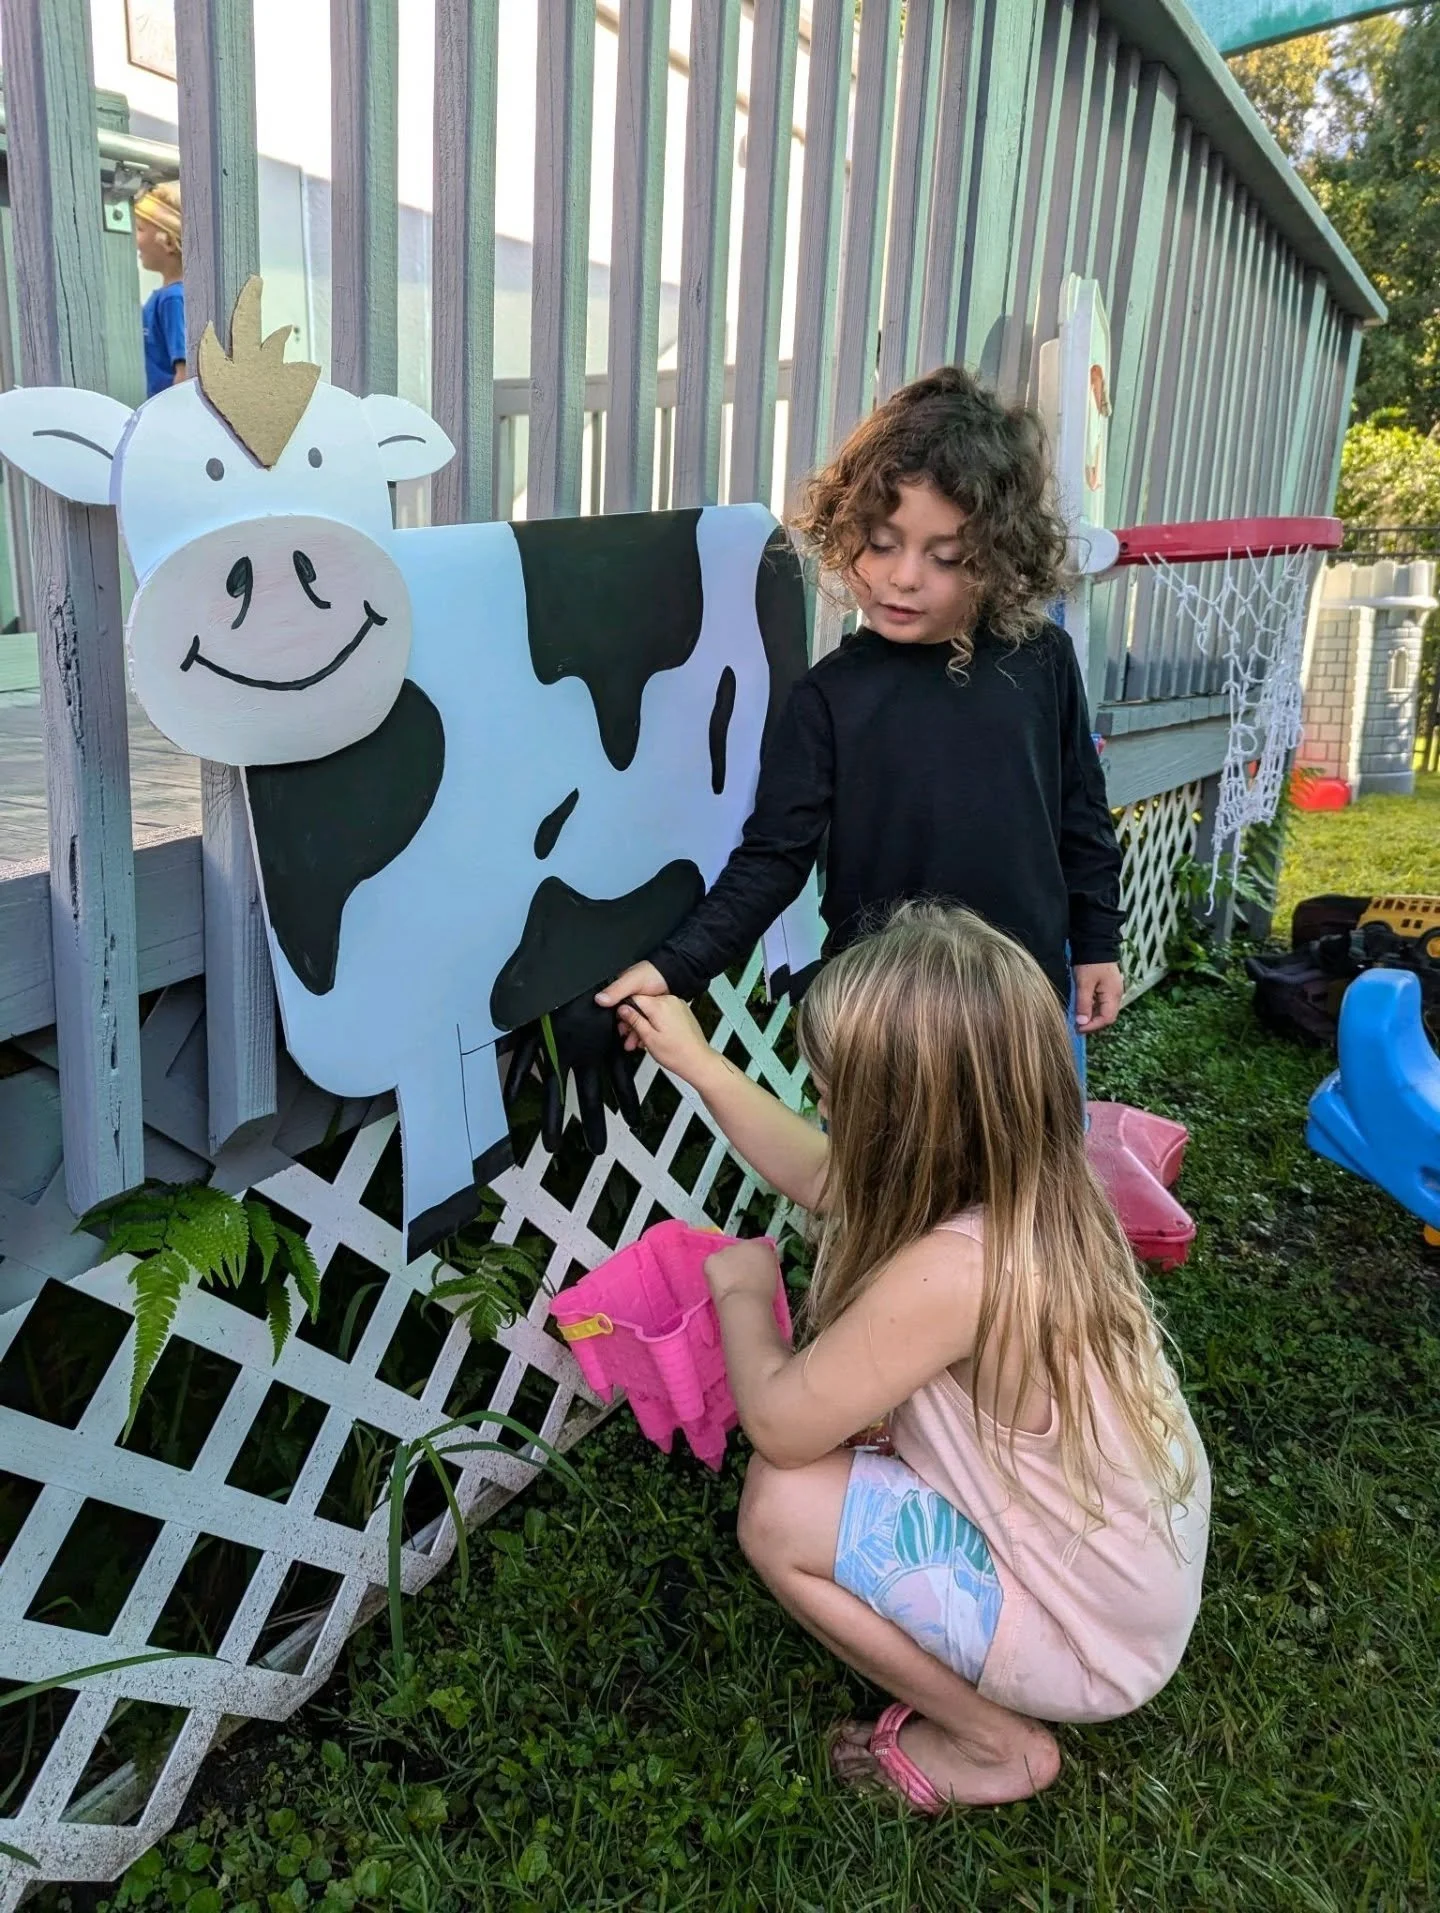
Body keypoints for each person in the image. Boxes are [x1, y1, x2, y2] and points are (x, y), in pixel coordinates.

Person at [618, 905, 1209, 1811]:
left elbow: (778, 1423)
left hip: (1088, 1635)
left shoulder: (957, 1268)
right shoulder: (1030, 1191)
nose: (819, 1103)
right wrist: (697, 1061)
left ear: (910, 1123)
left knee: (780, 1510)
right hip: (1125, 1573)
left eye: (832, 1092)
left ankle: (993, 1742)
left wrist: (740, 1288)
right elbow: (823, 1173)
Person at [599, 365, 1126, 1064]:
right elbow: (772, 860)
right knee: (874, 1178)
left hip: (1022, 1012)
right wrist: (677, 966)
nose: (902, 576)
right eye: (880, 543)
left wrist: (1096, 943)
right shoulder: (827, 701)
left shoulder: (1041, 659)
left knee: (1030, 1176)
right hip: (884, 1024)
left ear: (997, 559)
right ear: (846, 527)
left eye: (945, 556)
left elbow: (1081, 817)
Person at [134, 182, 187, 399]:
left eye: (140, 229)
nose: (135, 240)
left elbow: (184, 374)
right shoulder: (166, 298)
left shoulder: (172, 299)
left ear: (167, 242)